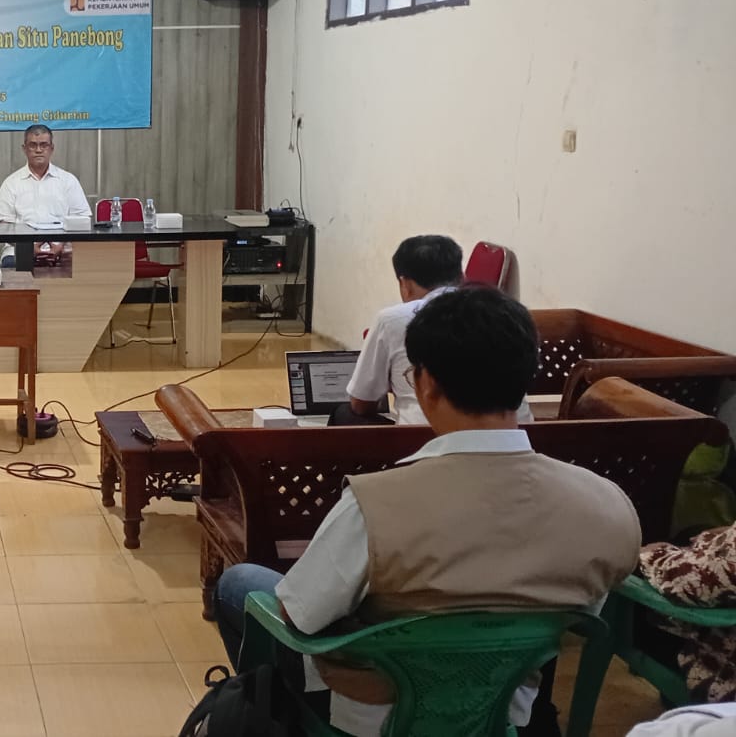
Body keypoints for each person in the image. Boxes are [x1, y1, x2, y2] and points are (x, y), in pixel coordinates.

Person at [212, 288, 641, 737]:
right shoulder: (605, 506)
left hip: (371, 717)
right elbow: (585, 612)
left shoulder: (374, 505)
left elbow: (296, 612)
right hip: (504, 708)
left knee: (240, 584)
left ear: (426, 383)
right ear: (525, 380)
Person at [337, 235, 534, 427]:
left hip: (425, 437)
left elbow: (361, 403)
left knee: (344, 414)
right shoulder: (501, 314)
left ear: (404, 284)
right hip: (521, 434)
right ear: (462, 276)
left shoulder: (395, 320)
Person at [637, 523, 736, 703]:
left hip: (723, 679)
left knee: (636, 574)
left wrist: (652, 554)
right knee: (691, 533)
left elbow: (688, 582)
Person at [0, 124, 90, 268]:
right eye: (33, 145)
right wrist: (27, 246)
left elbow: (82, 220)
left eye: (44, 145)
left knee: (84, 267)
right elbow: (1, 225)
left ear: (51, 148)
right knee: (11, 265)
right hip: (19, 250)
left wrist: (61, 245)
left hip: (63, 249)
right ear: (24, 148)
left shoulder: (68, 181)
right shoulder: (11, 183)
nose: (38, 150)